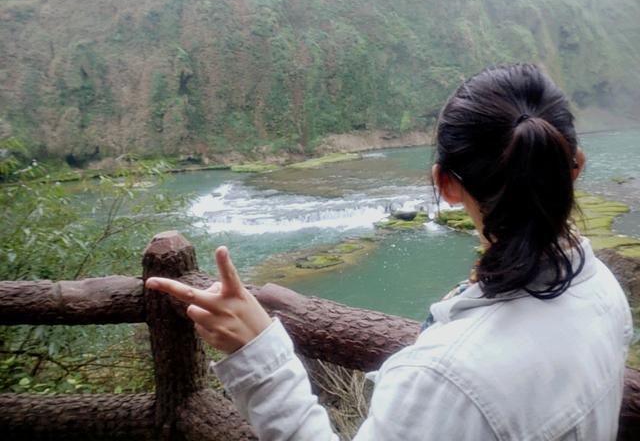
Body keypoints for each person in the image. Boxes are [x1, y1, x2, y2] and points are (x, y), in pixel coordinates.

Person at [145, 63, 633, 440]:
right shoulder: (601, 289)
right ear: (576, 166)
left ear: (445, 184)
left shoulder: (443, 380)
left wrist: (259, 355)